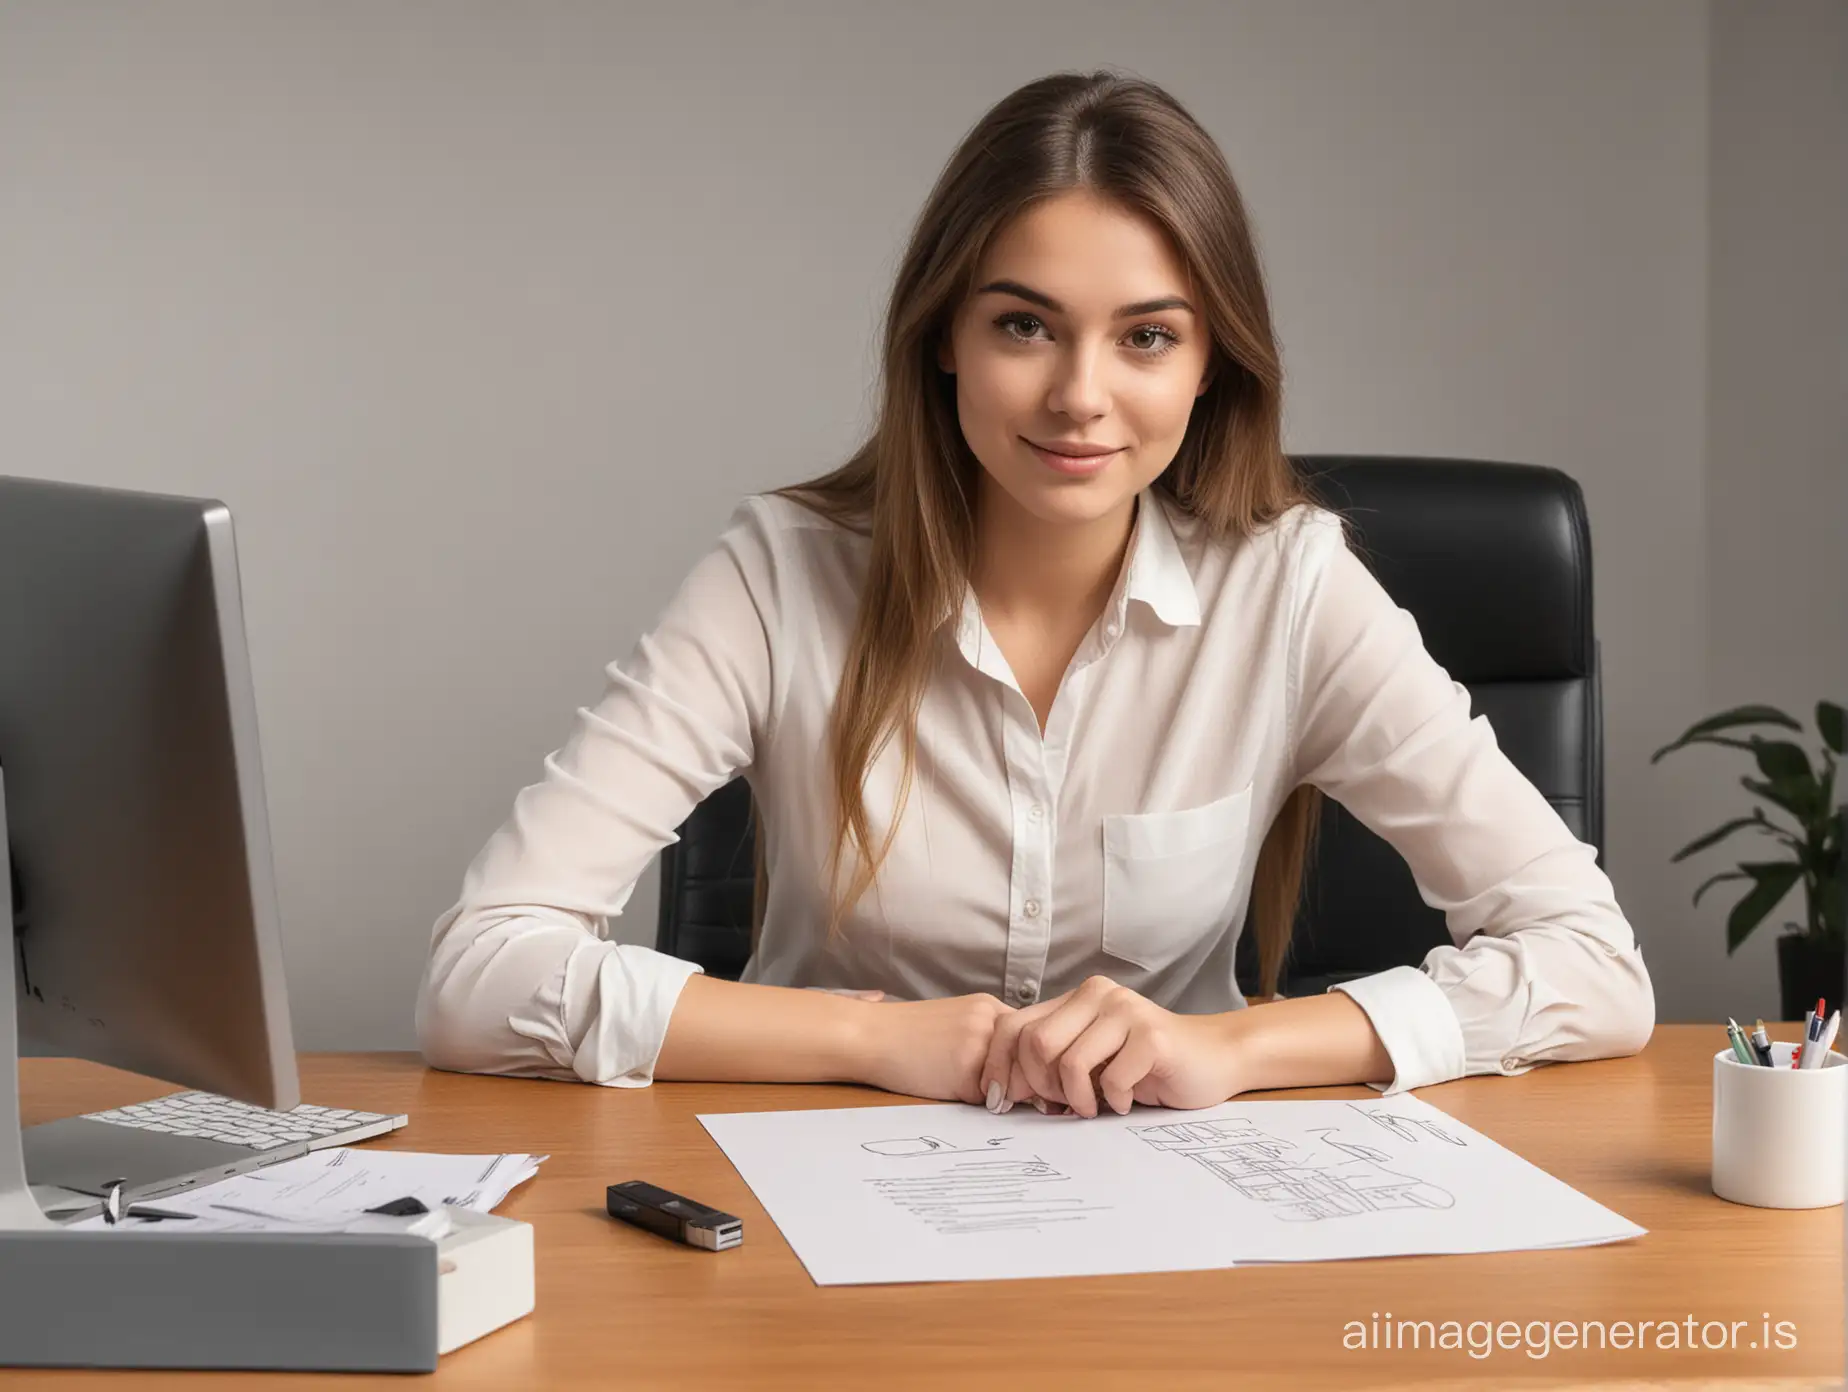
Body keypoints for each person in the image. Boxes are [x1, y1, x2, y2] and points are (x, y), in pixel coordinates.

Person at [415, 69, 1654, 1120]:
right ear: (943, 335)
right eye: (1025, 327)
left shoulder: (1291, 588)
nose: (1080, 395)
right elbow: (478, 974)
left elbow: (1592, 964)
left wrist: (1228, 1048)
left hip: (1181, 1205)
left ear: (1212, 364)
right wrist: (878, 1041)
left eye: (1147, 337)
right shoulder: (780, 574)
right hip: (819, 1197)